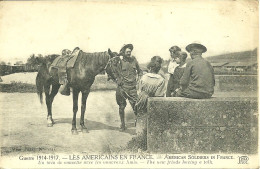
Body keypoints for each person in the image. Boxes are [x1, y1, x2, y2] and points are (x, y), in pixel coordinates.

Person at [116, 44, 142, 131]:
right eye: (127, 52)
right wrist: (118, 80)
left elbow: (140, 71)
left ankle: (139, 123)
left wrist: (139, 78)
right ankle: (122, 124)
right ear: (123, 52)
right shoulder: (119, 62)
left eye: (130, 51)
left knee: (136, 106)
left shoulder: (134, 60)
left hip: (132, 88)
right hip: (122, 88)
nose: (129, 53)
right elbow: (115, 73)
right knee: (121, 107)